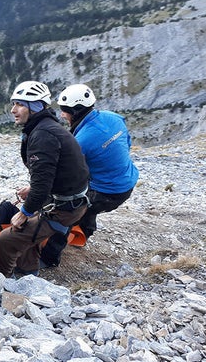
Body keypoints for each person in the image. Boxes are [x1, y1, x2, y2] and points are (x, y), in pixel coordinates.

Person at [0, 81, 90, 277]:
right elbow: (54, 172)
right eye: (14, 104)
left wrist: (25, 212)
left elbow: (42, 185)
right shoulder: (45, 127)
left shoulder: (42, 135)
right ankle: (27, 273)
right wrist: (32, 191)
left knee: (6, 240)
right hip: (68, 199)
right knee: (25, 229)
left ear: (34, 107)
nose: (13, 110)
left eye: (19, 104)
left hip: (64, 208)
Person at [39, 84, 139, 267]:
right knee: (89, 200)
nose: (62, 115)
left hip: (109, 192)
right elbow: (127, 143)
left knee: (70, 206)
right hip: (128, 180)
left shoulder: (80, 141)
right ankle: (84, 231)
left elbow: (67, 175)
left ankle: (49, 258)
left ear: (75, 112)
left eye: (65, 111)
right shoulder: (113, 118)